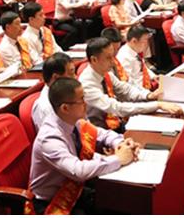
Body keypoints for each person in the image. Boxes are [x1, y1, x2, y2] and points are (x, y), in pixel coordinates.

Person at [29, 77, 137, 215]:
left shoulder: (72, 120)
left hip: (75, 188)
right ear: (65, 108)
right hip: (53, 202)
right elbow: (78, 171)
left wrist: (120, 144)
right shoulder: (49, 138)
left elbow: (102, 134)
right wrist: (119, 159)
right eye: (81, 100)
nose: (86, 104)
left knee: (121, 200)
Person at [79, 37, 182, 130]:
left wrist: (149, 95)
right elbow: (116, 108)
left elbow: (125, 90)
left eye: (113, 56)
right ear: (94, 60)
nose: (113, 61)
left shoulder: (105, 73)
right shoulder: (87, 84)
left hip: (115, 122)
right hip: (99, 130)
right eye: (108, 58)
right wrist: (157, 105)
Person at [31, 52, 77, 130]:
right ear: (56, 78)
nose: (75, 77)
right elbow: (51, 136)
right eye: (71, 73)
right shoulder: (44, 107)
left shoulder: (67, 93)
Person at [115, 25, 157, 90]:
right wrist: (147, 93)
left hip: (147, 83)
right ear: (134, 41)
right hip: (140, 90)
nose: (146, 44)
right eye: (145, 41)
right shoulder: (124, 57)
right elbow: (128, 83)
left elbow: (143, 68)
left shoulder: (135, 50)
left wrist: (154, 76)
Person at [22, 1, 62, 65]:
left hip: (53, 63)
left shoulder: (46, 31)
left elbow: (56, 49)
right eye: (40, 15)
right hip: (42, 67)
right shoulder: (26, 38)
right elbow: (36, 61)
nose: (44, 17)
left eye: (43, 14)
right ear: (31, 19)